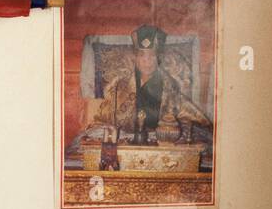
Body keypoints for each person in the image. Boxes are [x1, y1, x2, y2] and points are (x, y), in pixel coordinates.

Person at [79, 25, 213, 164]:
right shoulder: (120, 86)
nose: (146, 61)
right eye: (142, 55)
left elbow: (188, 112)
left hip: (160, 147)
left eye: (151, 56)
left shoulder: (169, 87)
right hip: (125, 146)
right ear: (135, 58)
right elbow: (103, 116)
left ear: (158, 58)